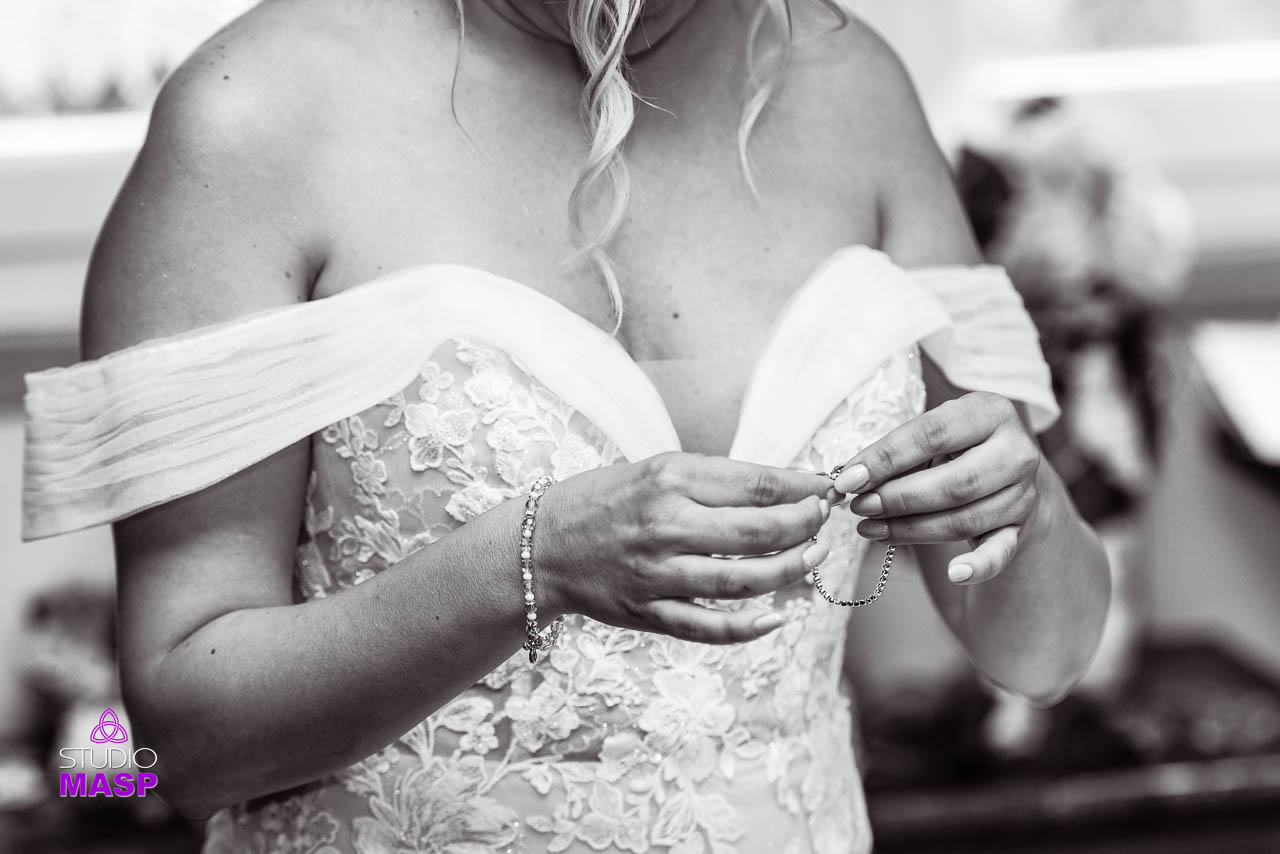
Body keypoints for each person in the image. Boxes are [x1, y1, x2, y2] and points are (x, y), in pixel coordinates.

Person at [21, 0, 1110, 851]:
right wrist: (527, 564)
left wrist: (1028, 507)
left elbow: (1044, 652)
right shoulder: (254, 112)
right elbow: (181, 745)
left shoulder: (851, 80)